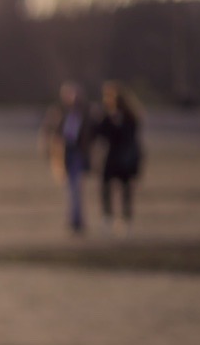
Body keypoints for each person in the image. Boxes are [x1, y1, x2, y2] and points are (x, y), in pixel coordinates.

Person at [40, 81, 95, 234]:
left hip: (78, 153)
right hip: (64, 153)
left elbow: (92, 133)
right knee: (70, 188)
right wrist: (48, 149)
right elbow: (49, 131)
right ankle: (74, 219)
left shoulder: (85, 113)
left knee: (75, 188)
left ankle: (76, 221)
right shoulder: (60, 112)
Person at [93, 81, 144, 231]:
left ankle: (126, 218)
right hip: (110, 157)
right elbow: (100, 133)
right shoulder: (107, 117)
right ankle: (107, 217)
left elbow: (131, 135)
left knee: (126, 189)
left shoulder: (130, 117)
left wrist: (118, 124)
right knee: (105, 187)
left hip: (125, 157)